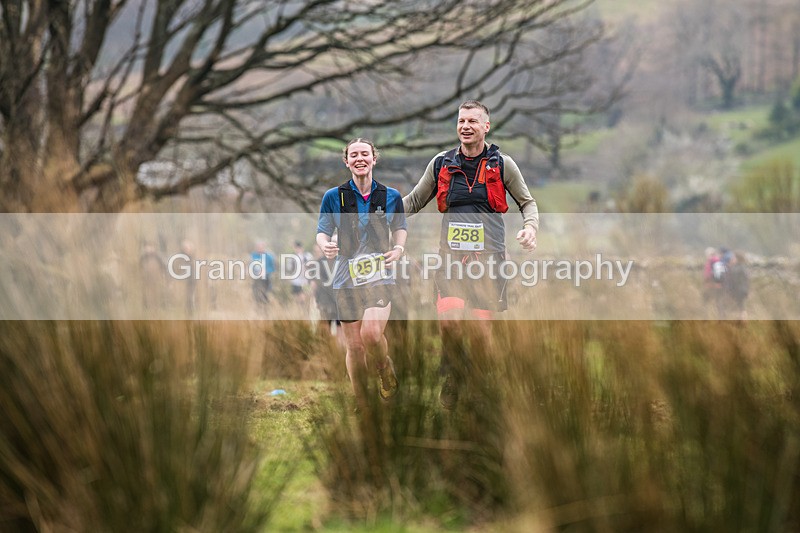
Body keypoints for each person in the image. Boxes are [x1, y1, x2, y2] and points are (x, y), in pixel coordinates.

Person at [403, 100, 539, 409]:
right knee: (450, 324)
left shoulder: (503, 164)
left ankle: (482, 392)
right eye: (461, 120)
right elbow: (411, 203)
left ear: (486, 127)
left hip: (489, 262)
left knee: (481, 335)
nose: (466, 126)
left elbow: (527, 203)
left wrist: (530, 228)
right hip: (451, 260)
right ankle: (453, 377)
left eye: (473, 121)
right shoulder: (440, 163)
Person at [317, 138, 407, 405]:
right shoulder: (333, 197)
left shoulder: (391, 196)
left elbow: (400, 227)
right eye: (353, 155)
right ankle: (361, 401)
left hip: (380, 275)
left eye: (364, 154)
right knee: (354, 346)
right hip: (346, 278)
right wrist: (326, 246)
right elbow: (322, 232)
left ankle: (383, 367)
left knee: (371, 334)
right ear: (346, 161)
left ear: (373, 159)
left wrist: (399, 249)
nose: (359, 158)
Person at [721, 250, 749, 322]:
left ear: (737, 258)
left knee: (737, 308)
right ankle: (742, 321)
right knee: (742, 307)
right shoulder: (744, 267)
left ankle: (741, 322)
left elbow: (732, 281)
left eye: (733, 257)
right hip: (743, 291)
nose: (732, 259)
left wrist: (729, 291)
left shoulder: (735, 269)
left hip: (737, 291)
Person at [250, 240, 276, 307]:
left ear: (264, 247)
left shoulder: (269, 256)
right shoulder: (253, 255)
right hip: (256, 278)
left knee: (264, 295)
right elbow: (250, 265)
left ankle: (265, 310)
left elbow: (272, 268)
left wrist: (265, 271)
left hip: (265, 279)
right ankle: (258, 309)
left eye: (261, 247)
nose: (259, 248)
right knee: (255, 294)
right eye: (258, 247)